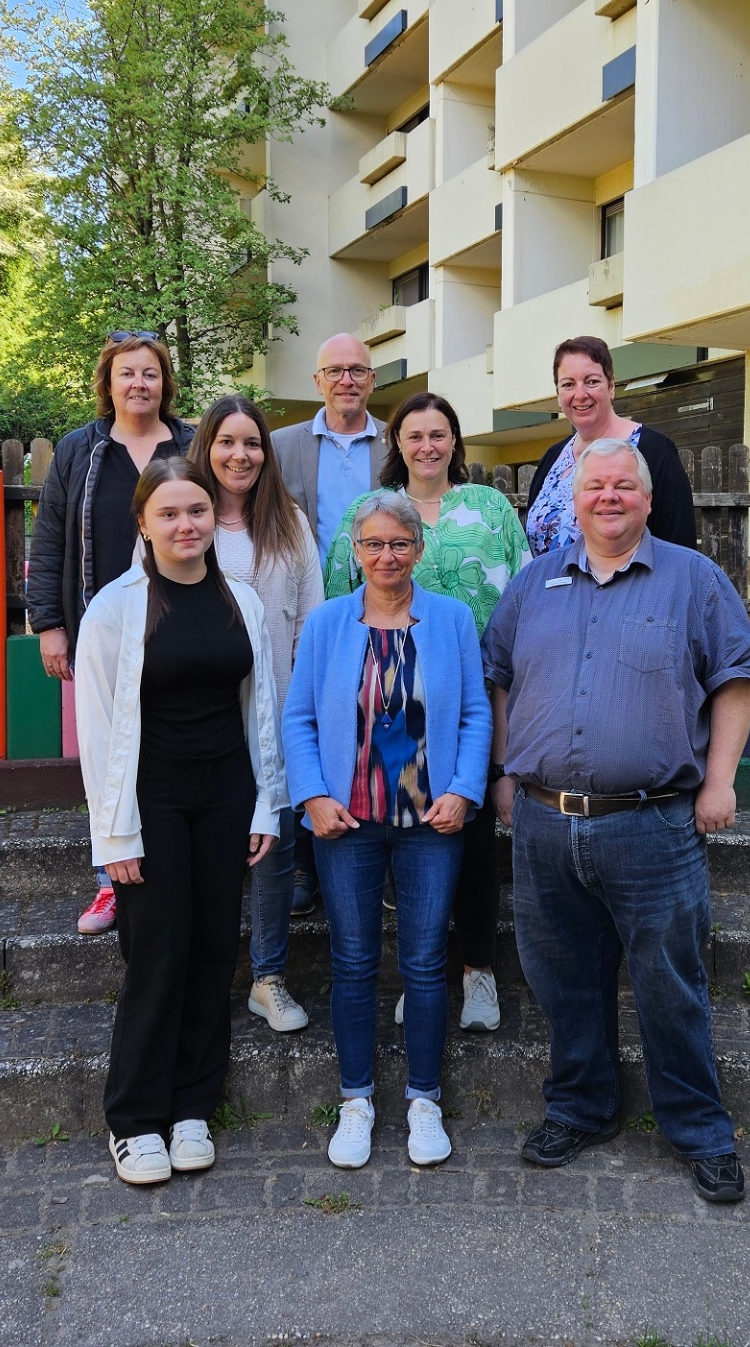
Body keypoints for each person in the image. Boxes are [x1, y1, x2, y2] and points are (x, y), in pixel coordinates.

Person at [484, 438, 750, 1205]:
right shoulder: (535, 582)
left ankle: (700, 1130)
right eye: (594, 486)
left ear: (646, 497)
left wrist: (721, 783)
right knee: (563, 979)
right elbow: (500, 676)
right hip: (544, 824)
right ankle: (581, 1109)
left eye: (623, 486)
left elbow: (738, 678)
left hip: (653, 825)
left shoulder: (693, 579)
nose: (608, 497)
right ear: (572, 501)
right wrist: (508, 772)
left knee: (670, 984)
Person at [73, 457, 286, 1186]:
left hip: (226, 795)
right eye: (168, 513)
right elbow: (98, 731)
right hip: (152, 800)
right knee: (157, 956)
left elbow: (261, 708)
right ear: (143, 523)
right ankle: (134, 1119)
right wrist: (116, 836)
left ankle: (194, 1106)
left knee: (210, 952)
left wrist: (266, 803)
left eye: (196, 510)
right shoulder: (115, 608)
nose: (185, 524)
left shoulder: (243, 601)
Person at [283, 490, 491, 1170]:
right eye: (372, 544)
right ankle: (356, 1102)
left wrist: (464, 790)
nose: (386, 556)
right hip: (346, 824)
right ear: (355, 551)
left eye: (399, 543)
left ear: (419, 549)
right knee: (351, 962)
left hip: (432, 822)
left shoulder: (453, 620)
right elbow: (299, 720)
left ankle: (424, 1101)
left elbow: (474, 716)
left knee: (427, 962)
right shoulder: (327, 624)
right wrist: (312, 795)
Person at [323, 392, 527, 1032]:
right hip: (386, 708)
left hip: (477, 696)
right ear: (398, 444)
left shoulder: (489, 507)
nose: (427, 445)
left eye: (439, 433)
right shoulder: (369, 513)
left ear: (455, 441)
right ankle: (424, 972)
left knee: (469, 837)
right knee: (409, 842)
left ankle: (479, 972)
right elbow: (338, 599)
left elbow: (522, 591)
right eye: (414, 435)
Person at [27, 331, 198, 937]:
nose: (139, 384)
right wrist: (49, 623)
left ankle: (180, 865)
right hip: (100, 630)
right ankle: (110, 880)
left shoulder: (190, 444)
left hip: (182, 625)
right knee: (107, 754)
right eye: (127, 374)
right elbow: (49, 537)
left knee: (175, 746)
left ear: (165, 383)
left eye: (150, 374)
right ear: (108, 383)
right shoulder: (81, 450)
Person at [189, 394, 322, 1035]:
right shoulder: (185, 516)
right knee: (211, 847)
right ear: (206, 448)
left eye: (252, 443)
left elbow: (313, 622)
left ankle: (268, 978)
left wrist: (305, 709)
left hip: (279, 709)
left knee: (274, 850)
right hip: (202, 716)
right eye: (226, 442)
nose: (240, 454)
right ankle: (207, 973)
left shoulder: (288, 524)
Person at [271, 333, 393, 918]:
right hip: (312, 614)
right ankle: (303, 861)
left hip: (386, 607)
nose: (347, 380)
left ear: (372, 380)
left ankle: (386, 852)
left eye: (359, 371)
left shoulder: (399, 442)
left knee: (380, 725)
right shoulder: (282, 446)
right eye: (335, 371)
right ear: (317, 381)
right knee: (310, 725)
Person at [522, 336, 696, 557]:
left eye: (592, 381)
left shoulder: (654, 451)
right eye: (568, 384)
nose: (580, 394)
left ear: (611, 386)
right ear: (558, 395)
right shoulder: (553, 458)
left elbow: (680, 547)